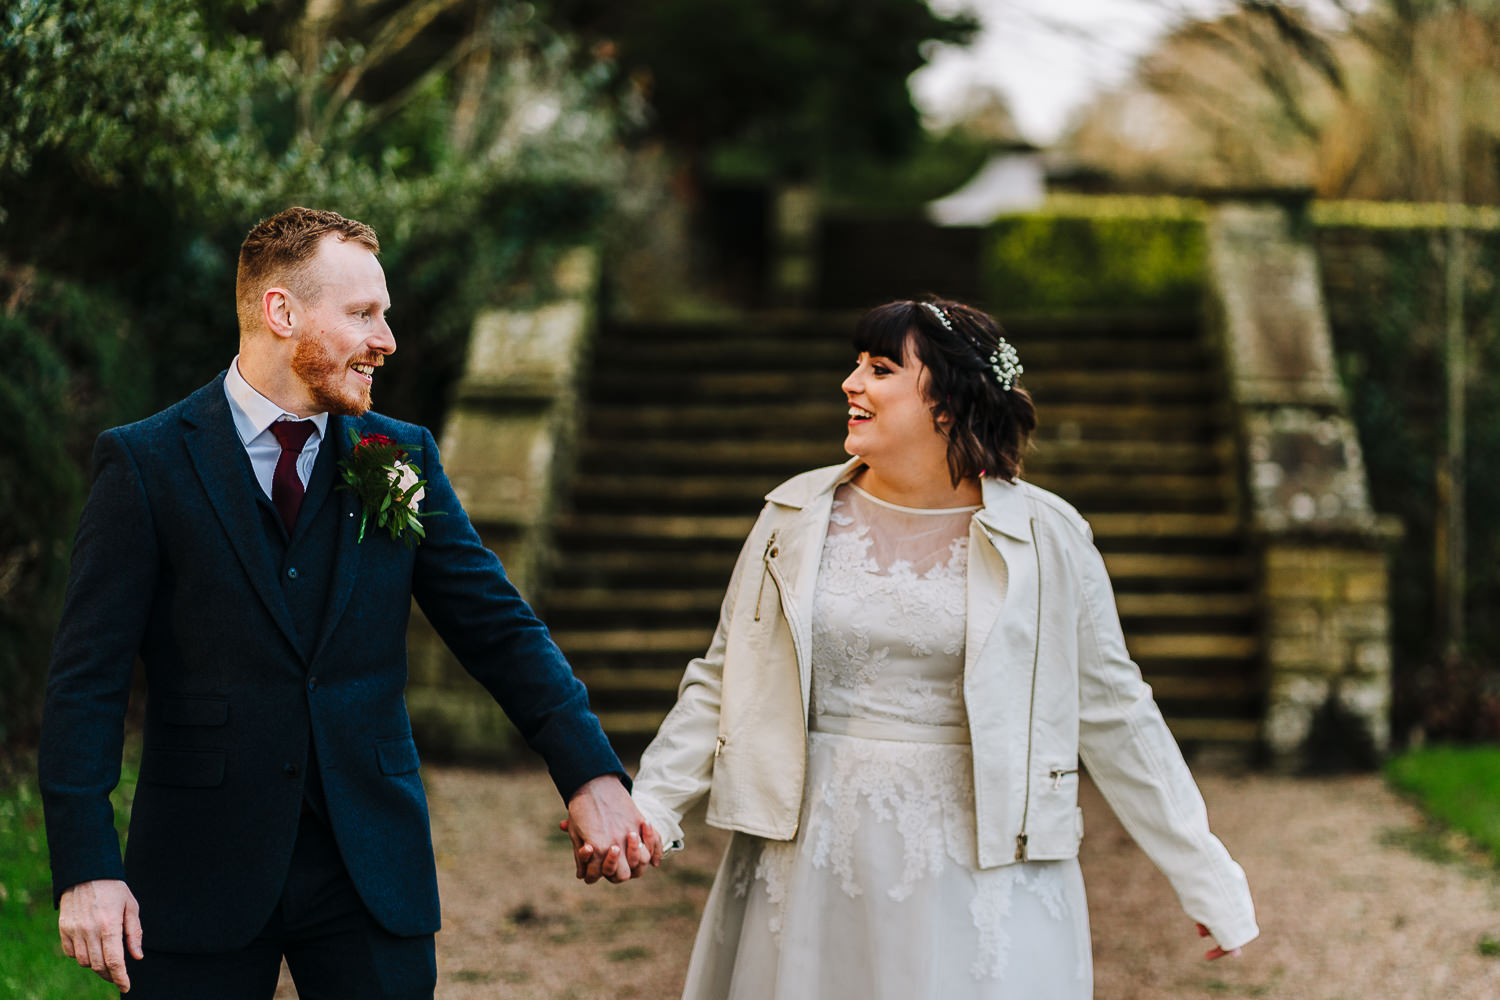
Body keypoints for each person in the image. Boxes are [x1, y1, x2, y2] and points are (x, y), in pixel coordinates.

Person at [38, 206, 658, 999]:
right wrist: (87, 867)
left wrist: (589, 773)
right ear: (281, 312)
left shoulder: (397, 457)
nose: (387, 340)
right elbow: (84, 682)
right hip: (200, 867)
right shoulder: (146, 464)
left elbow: (499, 628)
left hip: (370, 864)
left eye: (386, 315)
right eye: (363, 314)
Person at [621, 298, 1258, 999]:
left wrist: (1207, 878)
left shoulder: (1050, 536)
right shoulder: (791, 517)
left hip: (982, 866)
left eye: (881, 368)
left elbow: (1116, 713)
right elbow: (722, 680)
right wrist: (649, 809)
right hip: (810, 857)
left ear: (947, 403)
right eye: (857, 364)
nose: (850, 383)